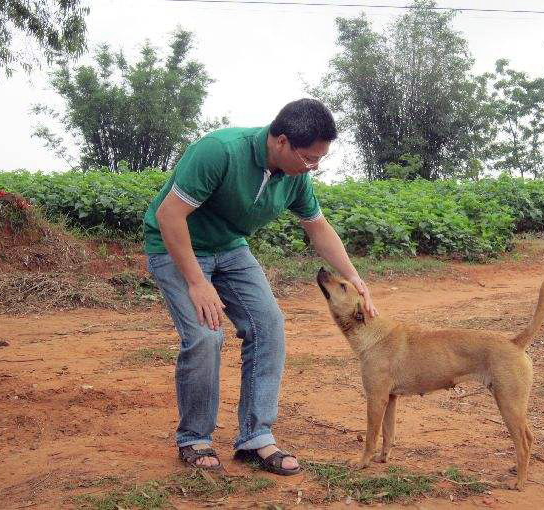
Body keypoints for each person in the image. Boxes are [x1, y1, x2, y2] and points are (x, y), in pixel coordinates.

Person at [143, 98, 377, 475]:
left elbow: (317, 227)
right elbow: (169, 215)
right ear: (281, 141)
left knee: (269, 326)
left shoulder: (296, 175)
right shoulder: (218, 152)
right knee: (206, 334)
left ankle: (254, 437)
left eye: (320, 160)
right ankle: (194, 438)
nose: (313, 167)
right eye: (308, 158)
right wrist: (197, 282)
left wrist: (353, 276)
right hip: (177, 246)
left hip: (230, 249)